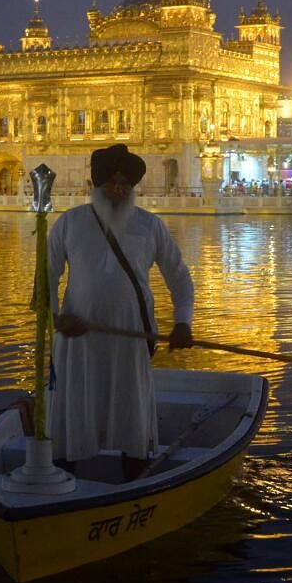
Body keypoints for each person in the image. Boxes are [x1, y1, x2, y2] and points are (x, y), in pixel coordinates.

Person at [48, 143, 195, 479]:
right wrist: (56, 317)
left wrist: (182, 323)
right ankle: (63, 482)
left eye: (124, 183)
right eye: (111, 182)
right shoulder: (69, 223)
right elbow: (46, 278)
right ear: (95, 186)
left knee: (132, 417)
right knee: (75, 412)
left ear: (132, 187)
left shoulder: (149, 225)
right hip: (78, 339)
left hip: (131, 337)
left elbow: (180, 279)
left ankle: (134, 482)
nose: (118, 189)